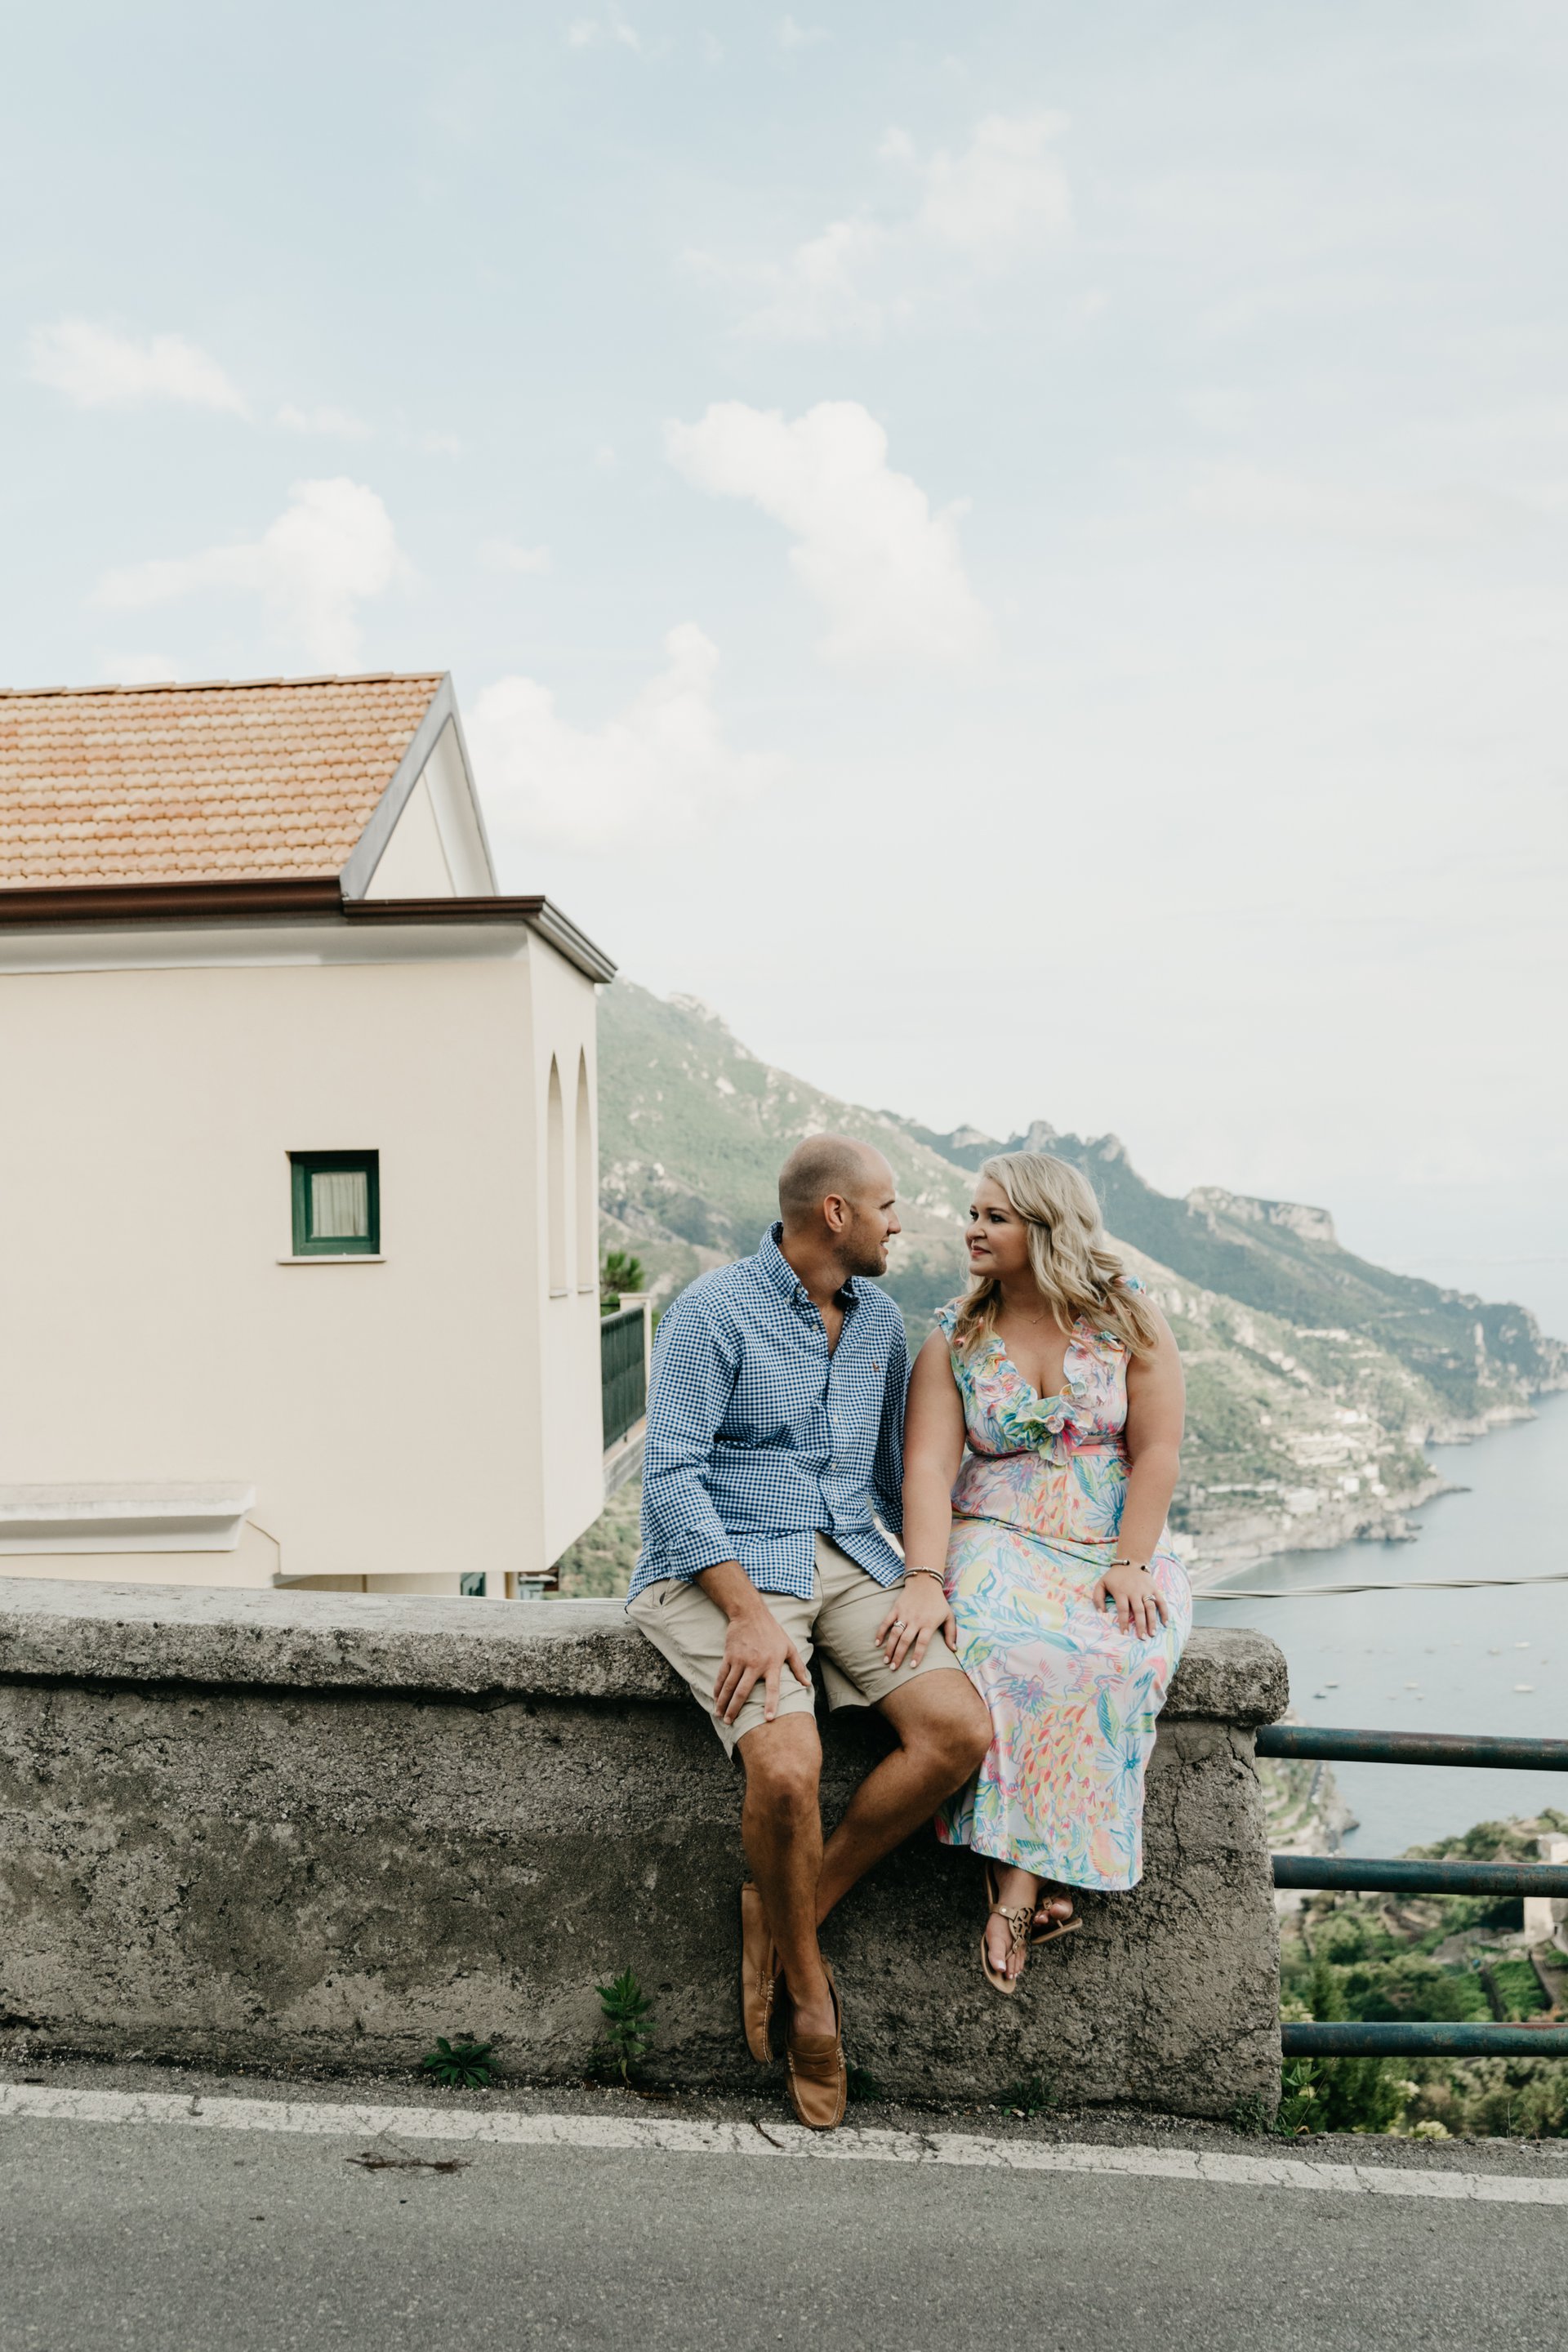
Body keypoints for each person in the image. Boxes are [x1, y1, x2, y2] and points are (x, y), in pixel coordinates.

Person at [627, 1135, 991, 2127]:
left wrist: (929, 1577)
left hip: (846, 1560)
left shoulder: (877, 1321)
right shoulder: (713, 1310)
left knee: (958, 1732)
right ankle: (813, 2001)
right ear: (835, 1213)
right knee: (787, 1770)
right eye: (886, 1206)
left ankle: (787, 1916)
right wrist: (745, 1613)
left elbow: (884, 1478)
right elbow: (669, 1479)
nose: (899, 1223)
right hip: (726, 1565)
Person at [901, 1151, 1192, 1993]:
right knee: (1000, 1650)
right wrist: (925, 1577)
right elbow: (926, 1467)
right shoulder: (954, 1337)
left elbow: (1160, 1448)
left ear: (1043, 1226)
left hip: (1108, 1540)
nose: (972, 1229)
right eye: (973, 1212)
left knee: (1120, 1654)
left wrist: (1133, 1560)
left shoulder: (1130, 1320)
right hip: (995, 1532)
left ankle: (1023, 1877)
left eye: (993, 1216)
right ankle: (1026, 1885)